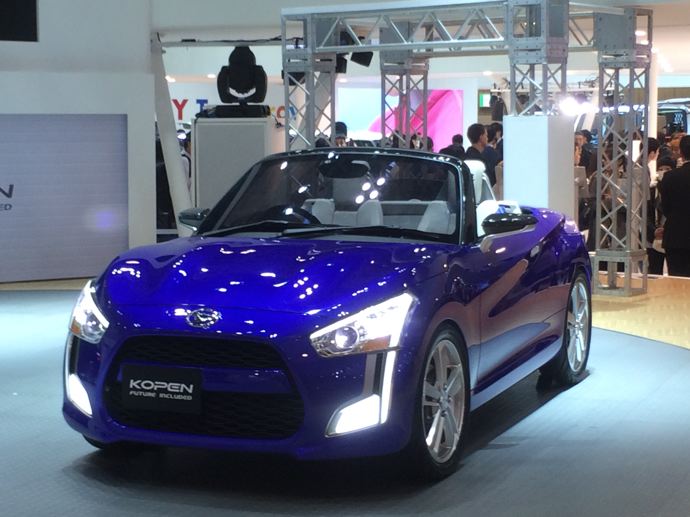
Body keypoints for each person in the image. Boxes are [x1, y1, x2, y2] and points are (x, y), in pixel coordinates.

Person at [659, 135, 690, 277]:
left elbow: (665, 207)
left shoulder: (670, 177)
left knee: (677, 282)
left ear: (681, 153)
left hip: (675, 236)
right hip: (676, 236)